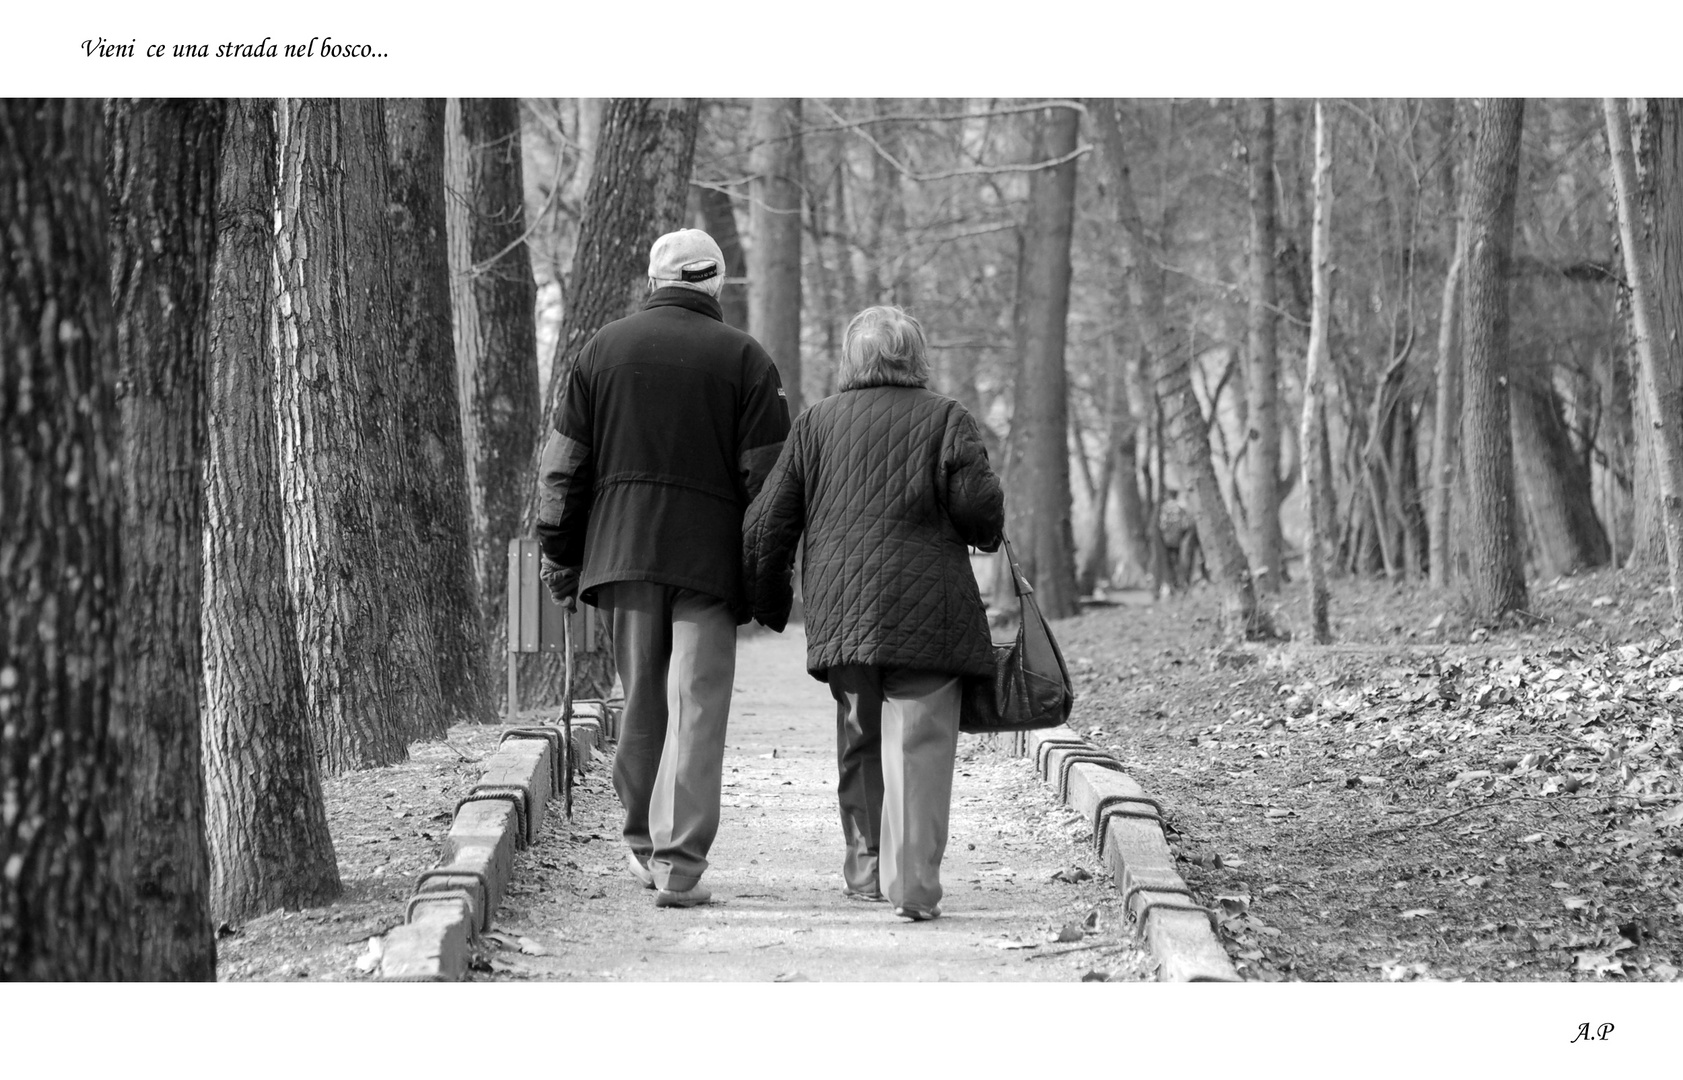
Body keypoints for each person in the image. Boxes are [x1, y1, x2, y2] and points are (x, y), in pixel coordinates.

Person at [534, 228, 790, 909]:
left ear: (654, 279)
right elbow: (768, 486)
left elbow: (562, 469)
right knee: (698, 706)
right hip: (708, 561)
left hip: (622, 554)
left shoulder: (598, 351)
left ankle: (640, 841)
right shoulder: (746, 359)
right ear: (715, 283)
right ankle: (680, 864)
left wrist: (560, 553)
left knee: (641, 695)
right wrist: (767, 579)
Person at [742, 306, 1004, 921]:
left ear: (850, 361)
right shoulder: (946, 417)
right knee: (921, 738)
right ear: (917, 359)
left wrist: (769, 603)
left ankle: (864, 868)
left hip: (843, 609)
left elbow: (768, 523)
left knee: (860, 734)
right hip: (928, 609)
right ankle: (911, 883)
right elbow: (980, 513)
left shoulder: (815, 425)